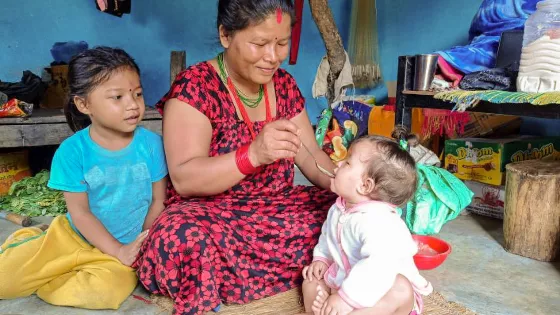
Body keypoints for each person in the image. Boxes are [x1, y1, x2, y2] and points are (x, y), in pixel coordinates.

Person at [134, 0, 337, 313]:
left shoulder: (284, 86)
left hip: (276, 210)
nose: (273, 57)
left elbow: (312, 160)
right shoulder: (195, 87)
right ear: (226, 35)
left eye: (282, 43)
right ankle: (315, 270)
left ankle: (253, 274)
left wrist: (351, 184)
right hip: (213, 215)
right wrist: (252, 154)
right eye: (259, 43)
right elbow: (185, 179)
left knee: (344, 214)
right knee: (180, 234)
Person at [0, 47, 168, 310]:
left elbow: (158, 200)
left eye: (137, 94)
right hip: (73, 235)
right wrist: (117, 250)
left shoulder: (152, 146)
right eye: (118, 97)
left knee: (104, 294)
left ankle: (56, 275)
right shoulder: (72, 151)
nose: (133, 105)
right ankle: (31, 240)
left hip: (124, 248)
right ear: (84, 104)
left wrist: (139, 244)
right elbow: (80, 214)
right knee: (4, 282)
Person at [300, 134, 433, 315]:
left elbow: (379, 267)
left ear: (365, 186)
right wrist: (322, 259)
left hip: (380, 291)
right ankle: (322, 311)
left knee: (401, 288)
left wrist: (345, 299)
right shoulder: (340, 208)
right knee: (310, 280)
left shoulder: (379, 221)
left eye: (347, 163)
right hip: (345, 281)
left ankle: (345, 309)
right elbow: (327, 237)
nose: (338, 164)